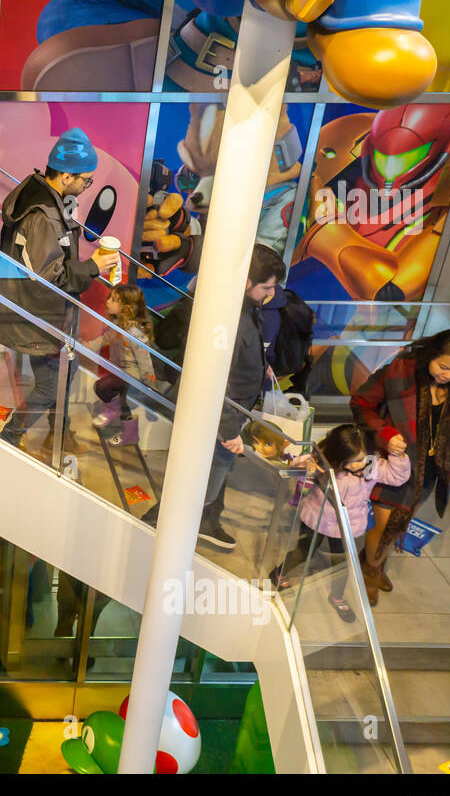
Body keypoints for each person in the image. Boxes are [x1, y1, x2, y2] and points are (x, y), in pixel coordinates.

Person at [0, 127, 120, 461]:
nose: (87, 186)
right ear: (65, 175)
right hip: (39, 316)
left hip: (41, 316)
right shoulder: (44, 218)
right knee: (53, 384)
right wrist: (93, 266)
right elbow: (47, 278)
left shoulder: (43, 197)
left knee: (65, 376)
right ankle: (9, 437)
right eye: (85, 180)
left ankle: (57, 435)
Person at [146, 243, 284, 550]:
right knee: (193, 493)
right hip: (218, 424)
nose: (270, 294)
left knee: (198, 489)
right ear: (248, 283)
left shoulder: (242, 308)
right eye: (266, 287)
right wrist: (230, 432)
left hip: (223, 421)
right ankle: (159, 541)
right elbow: (214, 382)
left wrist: (260, 366)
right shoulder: (229, 318)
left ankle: (178, 533)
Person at [351, 328, 450, 605]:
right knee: (386, 524)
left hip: (430, 471)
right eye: (443, 366)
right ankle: (370, 571)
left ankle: (371, 562)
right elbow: (361, 402)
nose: (447, 375)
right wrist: (385, 433)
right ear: (432, 353)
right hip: (389, 462)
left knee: (398, 525)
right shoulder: (401, 372)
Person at [270, 423, 410, 622]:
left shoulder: (371, 464)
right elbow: (299, 465)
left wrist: (397, 455)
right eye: (349, 461)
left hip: (347, 524)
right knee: (302, 552)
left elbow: (397, 477)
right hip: (316, 518)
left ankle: (337, 596)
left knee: (342, 563)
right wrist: (306, 466)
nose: (355, 466)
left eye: (359, 459)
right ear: (338, 455)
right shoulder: (326, 461)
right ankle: (278, 573)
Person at [87, 284, 157, 446]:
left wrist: (150, 386)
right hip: (121, 373)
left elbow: (145, 362)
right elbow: (104, 339)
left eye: (114, 300)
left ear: (126, 307)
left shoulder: (135, 332)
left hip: (132, 377)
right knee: (112, 395)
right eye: (110, 298)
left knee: (113, 394)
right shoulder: (119, 325)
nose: (108, 302)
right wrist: (86, 345)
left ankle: (121, 422)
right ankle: (122, 423)